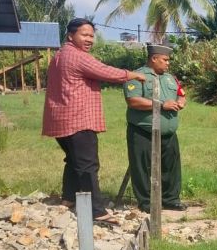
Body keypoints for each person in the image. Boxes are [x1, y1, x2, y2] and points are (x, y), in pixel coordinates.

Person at [42, 18, 146, 224]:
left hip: (61, 118)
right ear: (71, 35)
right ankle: (97, 211)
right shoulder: (77, 56)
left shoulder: (60, 55)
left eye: (91, 35)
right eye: (85, 35)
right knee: (88, 165)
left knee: (74, 160)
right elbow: (106, 71)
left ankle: (68, 198)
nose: (90, 39)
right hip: (79, 119)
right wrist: (133, 75)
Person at [124, 43, 187, 213]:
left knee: (171, 167)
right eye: (165, 60)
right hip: (143, 131)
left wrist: (181, 102)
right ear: (154, 58)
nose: (168, 63)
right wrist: (161, 105)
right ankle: (146, 202)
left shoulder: (170, 78)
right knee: (141, 167)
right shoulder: (137, 76)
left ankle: (171, 199)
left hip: (168, 133)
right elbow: (133, 100)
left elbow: (181, 94)